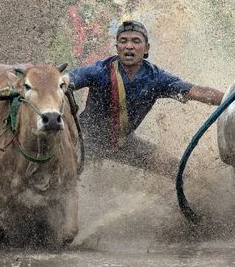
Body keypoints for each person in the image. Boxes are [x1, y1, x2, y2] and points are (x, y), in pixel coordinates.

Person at [67, 20, 224, 177]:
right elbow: (65, 81)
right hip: (85, 141)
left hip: (124, 143)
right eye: (123, 41)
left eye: (136, 41)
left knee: (180, 172)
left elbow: (195, 91)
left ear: (146, 48)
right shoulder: (99, 70)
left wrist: (232, 98)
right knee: (67, 179)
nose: (129, 46)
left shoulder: (155, 78)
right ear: (117, 48)